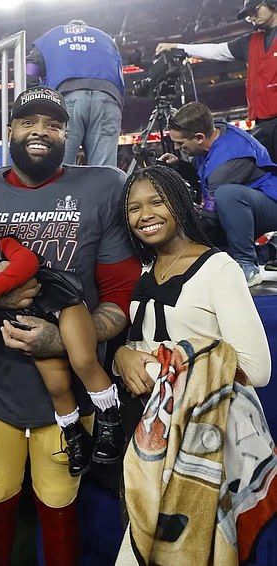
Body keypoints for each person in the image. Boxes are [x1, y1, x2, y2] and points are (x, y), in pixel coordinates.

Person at [0, 85, 141, 566]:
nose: (39, 132)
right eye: (28, 122)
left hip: (66, 394)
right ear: (9, 130)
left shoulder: (103, 185)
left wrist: (65, 340)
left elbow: (119, 294)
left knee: (61, 513)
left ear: (69, 134)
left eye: (53, 124)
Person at [113, 164, 275, 564]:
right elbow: (139, 347)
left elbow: (257, 369)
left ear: (181, 203)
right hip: (152, 435)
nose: (144, 214)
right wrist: (121, 355)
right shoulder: (146, 270)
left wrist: (164, 365)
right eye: (134, 208)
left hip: (206, 438)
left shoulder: (219, 268)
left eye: (156, 201)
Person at [0, 189, 124, 477]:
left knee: (83, 361)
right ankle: (74, 435)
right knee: (56, 385)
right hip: (30, 322)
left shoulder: (8, 246)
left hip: (60, 302)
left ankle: (110, 421)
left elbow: (26, 265)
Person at [158, 100, 277, 286]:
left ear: (198, 137)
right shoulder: (213, 136)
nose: (177, 148)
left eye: (180, 143)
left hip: (269, 204)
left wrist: (182, 239)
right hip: (248, 205)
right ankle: (270, 251)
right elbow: (205, 177)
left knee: (226, 196)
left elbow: (210, 218)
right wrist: (180, 165)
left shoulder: (227, 162)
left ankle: (247, 266)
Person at [156, 0, 277, 162]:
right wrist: (178, 46)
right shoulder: (249, 42)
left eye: (254, 10)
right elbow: (217, 50)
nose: (251, 17)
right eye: (248, 15)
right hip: (263, 124)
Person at [27, 20, 124, 167]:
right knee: (104, 170)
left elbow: (30, 71)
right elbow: (118, 72)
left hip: (67, 98)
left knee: (58, 165)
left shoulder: (50, 37)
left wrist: (38, 100)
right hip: (107, 99)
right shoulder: (105, 38)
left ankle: (57, 190)